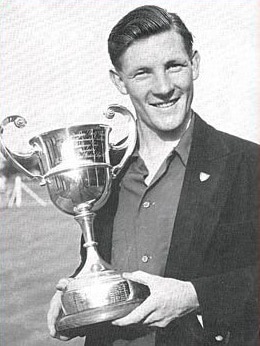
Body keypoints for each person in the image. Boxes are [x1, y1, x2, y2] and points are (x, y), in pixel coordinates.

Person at [47, 5, 258, 346]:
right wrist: (76, 291)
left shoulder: (250, 165)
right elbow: (99, 264)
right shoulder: (106, 176)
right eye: (142, 73)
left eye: (174, 66)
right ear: (119, 81)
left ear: (195, 64)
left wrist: (194, 295)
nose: (163, 87)